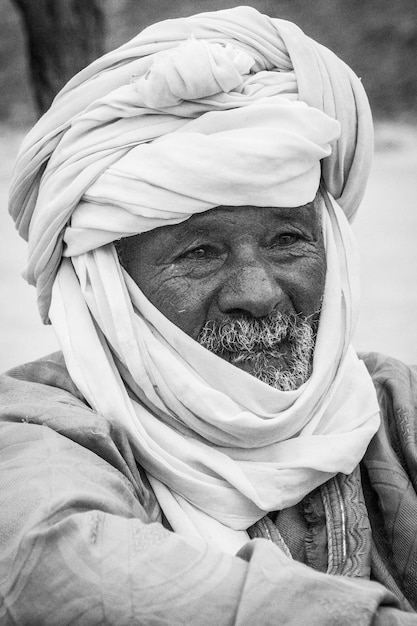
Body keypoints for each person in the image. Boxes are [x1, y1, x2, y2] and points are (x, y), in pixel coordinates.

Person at [1, 6, 417, 625]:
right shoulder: (35, 437)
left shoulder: (393, 407)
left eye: (287, 241)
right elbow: (67, 575)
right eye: (199, 253)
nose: (260, 293)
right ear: (110, 285)